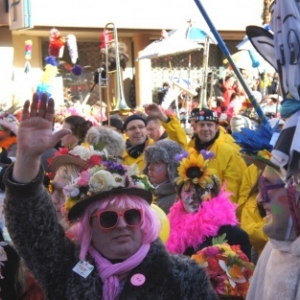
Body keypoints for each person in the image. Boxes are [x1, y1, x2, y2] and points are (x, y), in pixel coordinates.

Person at [4, 93, 218, 300]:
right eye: (108, 218)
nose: (123, 225)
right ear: (89, 226)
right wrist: (27, 156)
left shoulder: (185, 276)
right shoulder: (67, 269)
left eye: (133, 215)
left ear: (144, 221)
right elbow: (32, 230)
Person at [166, 149, 251, 259]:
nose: (193, 196)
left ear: (213, 194)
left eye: (201, 190)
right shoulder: (170, 229)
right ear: (179, 197)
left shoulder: (233, 234)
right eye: (187, 191)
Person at [187, 108, 247, 203]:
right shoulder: (191, 149)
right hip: (194, 207)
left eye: (209, 125)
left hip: (218, 211)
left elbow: (232, 189)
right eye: (202, 125)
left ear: (216, 127)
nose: (205, 129)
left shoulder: (229, 151)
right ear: (196, 128)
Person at [123, 103, 186, 171]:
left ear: (145, 129)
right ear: (126, 133)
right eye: (132, 128)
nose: (137, 131)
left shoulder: (158, 147)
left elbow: (179, 144)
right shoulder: (119, 154)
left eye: (141, 127)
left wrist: (162, 116)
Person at [144, 139, 186, 214]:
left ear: (173, 167)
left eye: (157, 162)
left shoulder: (175, 201)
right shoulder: (148, 191)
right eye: (149, 162)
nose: (150, 167)